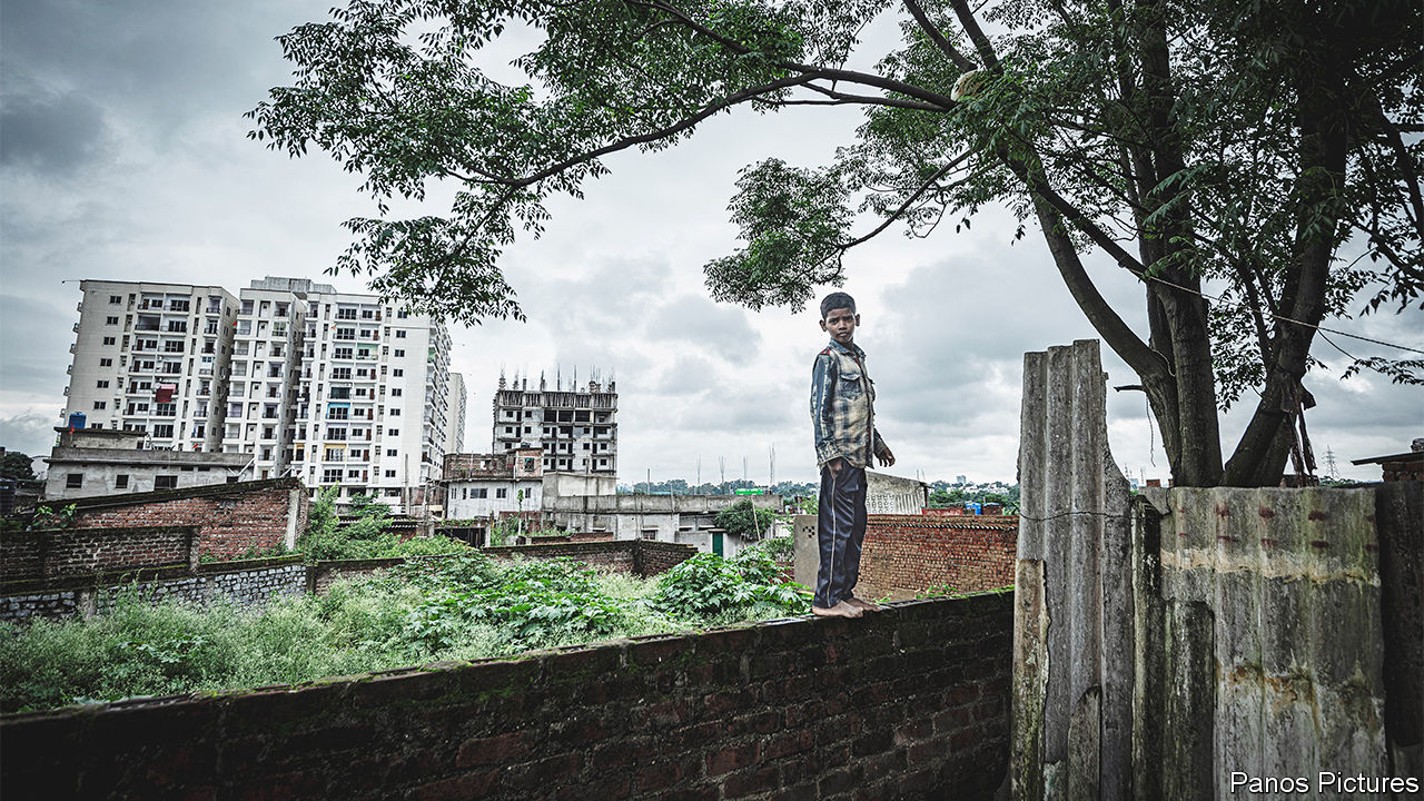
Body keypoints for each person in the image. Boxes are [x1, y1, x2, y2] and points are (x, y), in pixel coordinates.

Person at [809, 291, 895, 619]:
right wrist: (830, 455)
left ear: (857, 319)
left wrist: (878, 444)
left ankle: (845, 593)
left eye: (847, 319)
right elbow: (819, 411)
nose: (842, 325)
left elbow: (862, 412)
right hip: (838, 461)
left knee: (856, 528)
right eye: (835, 321)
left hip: (858, 459)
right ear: (824, 325)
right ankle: (826, 600)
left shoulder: (858, 358)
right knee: (837, 529)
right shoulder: (827, 359)